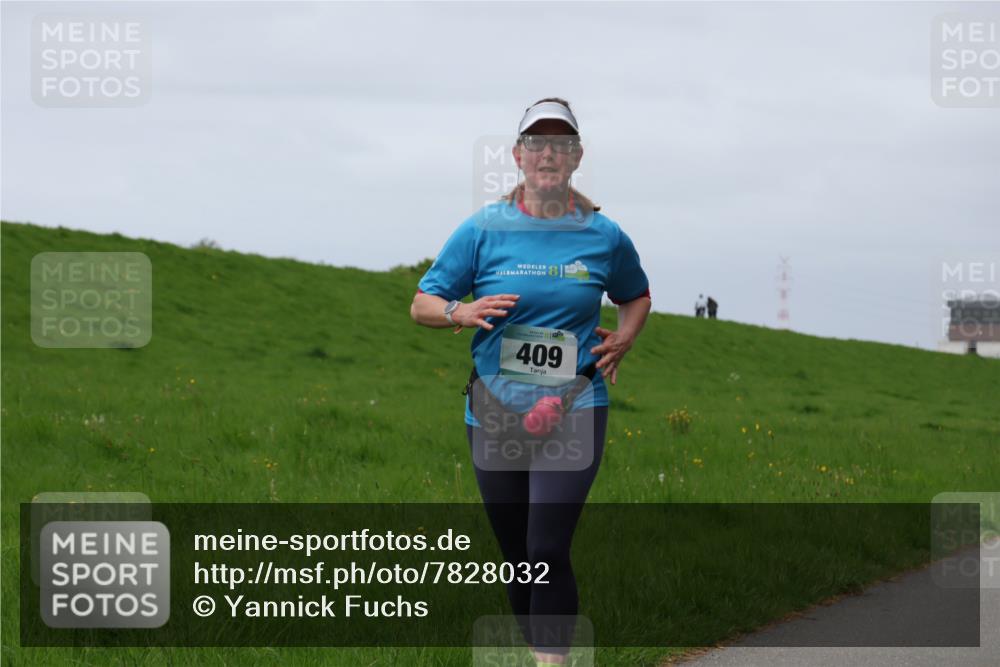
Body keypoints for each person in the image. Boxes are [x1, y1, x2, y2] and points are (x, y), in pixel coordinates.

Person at [410, 98, 651, 665]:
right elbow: (422, 302)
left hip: (575, 404)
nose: (549, 152)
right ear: (518, 156)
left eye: (561, 143)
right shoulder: (482, 230)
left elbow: (635, 294)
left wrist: (625, 336)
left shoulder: (603, 235)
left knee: (546, 547)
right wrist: (459, 313)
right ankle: (538, 648)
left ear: (576, 157)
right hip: (494, 407)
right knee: (517, 554)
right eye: (537, 143)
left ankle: (552, 662)